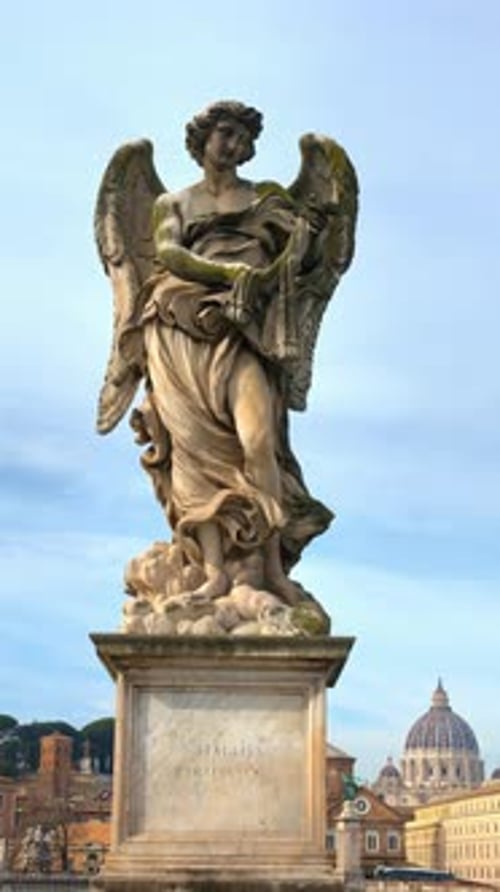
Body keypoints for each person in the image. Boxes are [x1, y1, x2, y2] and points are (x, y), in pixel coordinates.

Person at [132, 101, 332, 605]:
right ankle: (216, 573)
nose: (235, 144)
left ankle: (269, 568)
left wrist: (300, 240)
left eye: (243, 136)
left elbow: (304, 258)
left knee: (257, 441)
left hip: (245, 332)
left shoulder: (266, 201)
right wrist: (229, 274)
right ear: (202, 139)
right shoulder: (174, 202)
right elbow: (170, 254)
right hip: (179, 324)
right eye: (226, 133)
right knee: (195, 455)